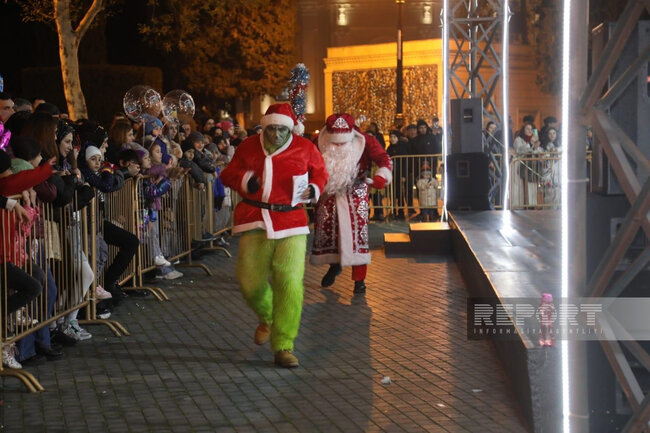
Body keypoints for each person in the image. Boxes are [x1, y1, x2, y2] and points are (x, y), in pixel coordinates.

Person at [220, 103, 328, 368]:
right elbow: (228, 174)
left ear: (289, 128)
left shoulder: (305, 147)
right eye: (272, 129)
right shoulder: (248, 146)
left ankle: (283, 344)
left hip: (291, 221)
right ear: (264, 127)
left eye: (282, 129)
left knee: (289, 282)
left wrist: (314, 189)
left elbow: (321, 173)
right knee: (249, 281)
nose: (277, 134)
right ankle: (267, 317)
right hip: (255, 220)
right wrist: (245, 180)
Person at [311, 113, 392, 295]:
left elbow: (384, 159)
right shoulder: (318, 141)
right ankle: (334, 265)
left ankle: (359, 280)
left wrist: (381, 176)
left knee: (358, 236)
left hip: (356, 191)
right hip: (328, 192)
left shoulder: (366, 141)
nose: (339, 146)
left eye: (342, 142)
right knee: (328, 232)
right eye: (335, 143)